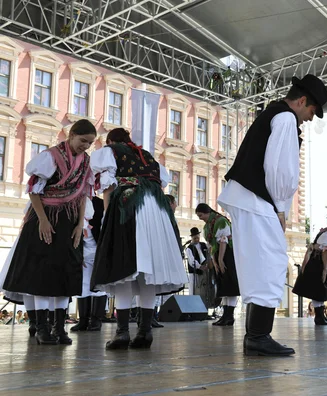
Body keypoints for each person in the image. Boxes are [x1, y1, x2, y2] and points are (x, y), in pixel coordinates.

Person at [218, 74, 327, 356]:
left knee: (258, 265)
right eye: (311, 112)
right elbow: (280, 168)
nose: (309, 119)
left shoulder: (273, 114)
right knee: (272, 262)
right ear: (302, 101)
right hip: (258, 199)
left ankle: (255, 335)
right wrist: (280, 207)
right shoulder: (285, 118)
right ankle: (258, 335)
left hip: (248, 196)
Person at [0, 119, 96, 345]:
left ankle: (59, 328)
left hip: (70, 221)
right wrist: (42, 220)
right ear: (71, 135)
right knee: (42, 273)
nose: (86, 146)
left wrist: (80, 224)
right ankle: (42, 328)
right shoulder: (50, 157)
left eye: (90, 143)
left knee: (67, 273)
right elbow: (34, 190)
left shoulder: (86, 162)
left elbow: (83, 195)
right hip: (46, 218)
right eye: (83, 141)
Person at [90, 128, 187, 350]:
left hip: (129, 206)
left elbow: (108, 186)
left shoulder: (110, 151)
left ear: (110, 140)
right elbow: (161, 182)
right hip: (156, 211)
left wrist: (107, 217)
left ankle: (122, 332)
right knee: (148, 271)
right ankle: (145, 331)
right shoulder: (148, 157)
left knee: (123, 268)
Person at [195, 204, 239, 326]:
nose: (200, 218)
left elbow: (223, 241)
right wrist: (215, 261)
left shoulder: (221, 221)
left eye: (201, 215)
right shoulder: (207, 226)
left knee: (230, 285)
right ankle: (225, 316)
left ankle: (230, 316)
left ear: (207, 212)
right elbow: (210, 245)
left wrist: (220, 260)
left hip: (227, 254)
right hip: (218, 254)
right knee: (223, 286)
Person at [71, 196, 109, 332]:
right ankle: (83, 320)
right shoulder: (72, 202)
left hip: (99, 249)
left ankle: (96, 319)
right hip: (83, 250)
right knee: (83, 285)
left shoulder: (100, 204)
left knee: (99, 285)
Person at [185, 227, 207, 296]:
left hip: (204, 272)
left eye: (198, 237)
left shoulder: (203, 245)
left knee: (203, 290)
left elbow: (208, 255)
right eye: (195, 238)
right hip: (194, 273)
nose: (197, 239)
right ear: (192, 238)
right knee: (193, 291)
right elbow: (192, 261)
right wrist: (200, 266)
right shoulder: (189, 248)